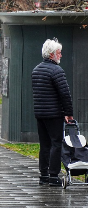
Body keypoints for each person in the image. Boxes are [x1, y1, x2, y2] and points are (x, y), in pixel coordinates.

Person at [32, 38, 73, 186]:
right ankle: (53, 176)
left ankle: (43, 175)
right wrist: (68, 113)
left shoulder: (36, 70)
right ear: (51, 54)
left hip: (40, 114)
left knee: (44, 144)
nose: (61, 55)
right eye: (59, 53)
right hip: (54, 114)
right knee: (56, 143)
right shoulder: (57, 71)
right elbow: (65, 94)